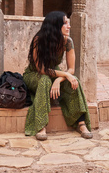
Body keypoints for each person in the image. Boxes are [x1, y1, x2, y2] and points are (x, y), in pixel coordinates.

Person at [23, 11, 93, 141]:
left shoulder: (68, 42)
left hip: (55, 74)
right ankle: (40, 125)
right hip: (34, 74)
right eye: (65, 23)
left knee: (73, 81)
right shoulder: (39, 40)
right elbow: (42, 69)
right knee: (44, 80)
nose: (69, 26)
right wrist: (64, 74)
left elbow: (71, 69)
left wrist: (60, 79)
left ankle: (81, 123)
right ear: (56, 25)